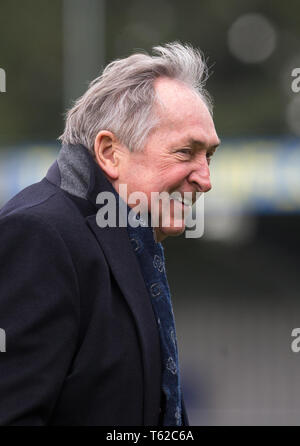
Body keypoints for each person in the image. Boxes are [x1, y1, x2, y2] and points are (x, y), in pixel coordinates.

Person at [0, 42, 220, 426]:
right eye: (186, 153)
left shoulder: (126, 240)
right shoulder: (40, 236)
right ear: (109, 152)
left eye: (209, 156)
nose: (205, 179)